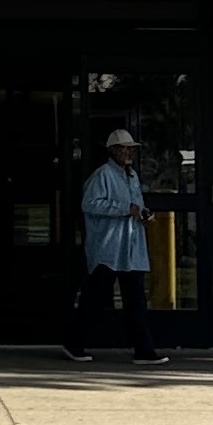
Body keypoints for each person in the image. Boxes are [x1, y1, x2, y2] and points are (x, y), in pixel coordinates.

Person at [65, 127, 159, 361]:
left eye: (130, 148)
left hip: (128, 247)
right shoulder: (103, 175)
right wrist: (125, 210)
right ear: (113, 151)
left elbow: (135, 204)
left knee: (135, 300)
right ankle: (75, 342)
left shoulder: (131, 176)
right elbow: (90, 204)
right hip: (108, 248)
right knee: (96, 297)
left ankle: (143, 349)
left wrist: (143, 213)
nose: (129, 152)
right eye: (124, 148)